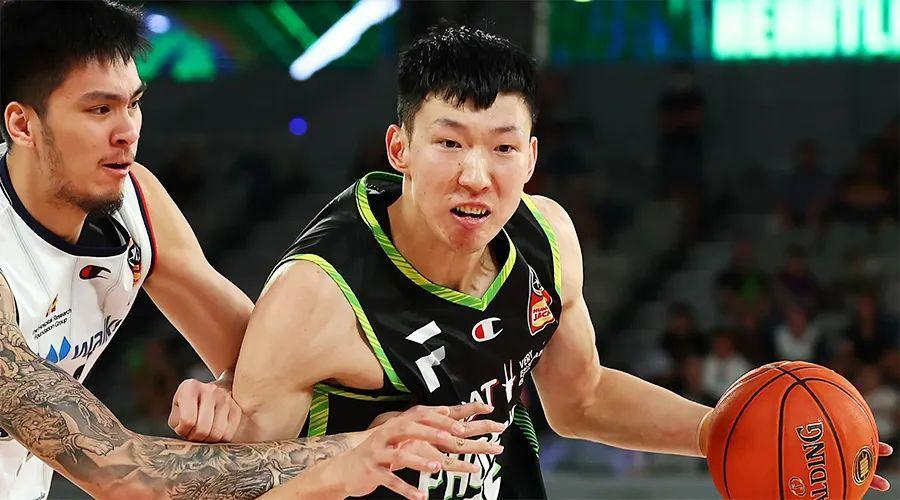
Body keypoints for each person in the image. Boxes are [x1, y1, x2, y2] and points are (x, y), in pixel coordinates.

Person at [171, 24, 895, 498]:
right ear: (400, 149)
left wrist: (722, 433)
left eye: (502, 147)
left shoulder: (545, 238)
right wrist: (310, 445)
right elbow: (244, 485)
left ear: (531, 158)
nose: (476, 176)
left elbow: (581, 400)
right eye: (449, 143)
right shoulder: (317, 298)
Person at [0, 2, 500, 499]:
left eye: (133, 103)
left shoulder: (136, 199)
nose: (128, 131)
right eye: (99, 110)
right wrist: (357, 446)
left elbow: (265, 355)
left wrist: (225, 395)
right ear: (22, 126)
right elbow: (127, 475)